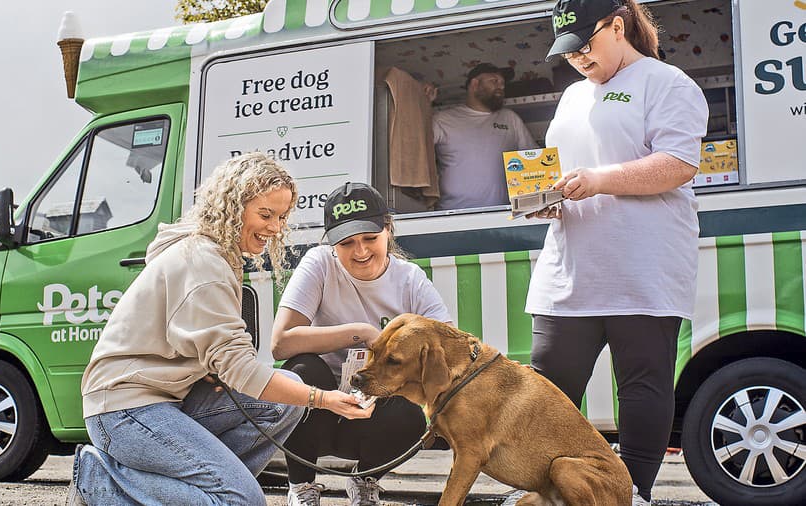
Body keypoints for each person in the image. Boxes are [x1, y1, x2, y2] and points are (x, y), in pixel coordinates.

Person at [67, 153, 374, 506]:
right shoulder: (205, 264)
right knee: (241, 501)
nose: (275, 227)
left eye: (282, 217)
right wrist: (324, 399)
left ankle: (206, 492)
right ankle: (100, 479)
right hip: (123, 410)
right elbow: (240, 368)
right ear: (233, 206)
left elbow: (207, 346)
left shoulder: (218, 253)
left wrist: (206, 368)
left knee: (286, 400)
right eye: (265, 215)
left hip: (168, 398)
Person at [525, 1, 708, 505]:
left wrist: (597, 180)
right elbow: (563, 170)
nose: (579, 58)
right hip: (569, 268)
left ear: (619, 26)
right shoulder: (570, 98)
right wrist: (547, 200)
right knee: (547, 391)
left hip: (643, 268)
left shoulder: (668, 83)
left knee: (642, 389)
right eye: (568, 51)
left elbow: (676, 164)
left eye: (586, 44)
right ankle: (547, 492)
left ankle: (633, 494)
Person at [271, 182, 452, 506]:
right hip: (319, 409)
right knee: (301, 370)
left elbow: (450, 345)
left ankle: (366, 480)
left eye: (370, 238)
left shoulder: (410, 278)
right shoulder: (318, 264)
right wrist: (363, 333)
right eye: (347, 242)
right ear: (331, 244)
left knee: (412, 413)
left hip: (376, 412)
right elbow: (281, 344)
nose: (361, 251)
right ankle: (301, 487)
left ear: (388, 229)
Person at [433, 62, 537, 210]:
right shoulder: (442, 119)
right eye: (494, 81)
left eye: (502, 83)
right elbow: (418, 154)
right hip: (453, 214)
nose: (501, 86)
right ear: (475, 84)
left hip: (502, 214)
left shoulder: (510, 118)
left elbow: (532, 158)